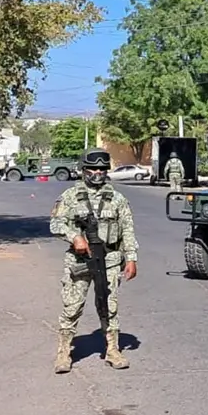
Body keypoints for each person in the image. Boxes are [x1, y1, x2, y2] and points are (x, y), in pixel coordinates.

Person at [49, 148, 139, 374]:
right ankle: (63, 352)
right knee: (72, 307)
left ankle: (112, 350)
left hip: (108, 259)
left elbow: (127, 229)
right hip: (79, 260)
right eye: (93, 168)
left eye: (102, 169)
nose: (98, 172)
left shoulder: (118, 199)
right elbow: (56, 224)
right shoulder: (70, 196)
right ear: (84, 170)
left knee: (108, 305)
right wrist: (75, 236)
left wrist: (131, 258)